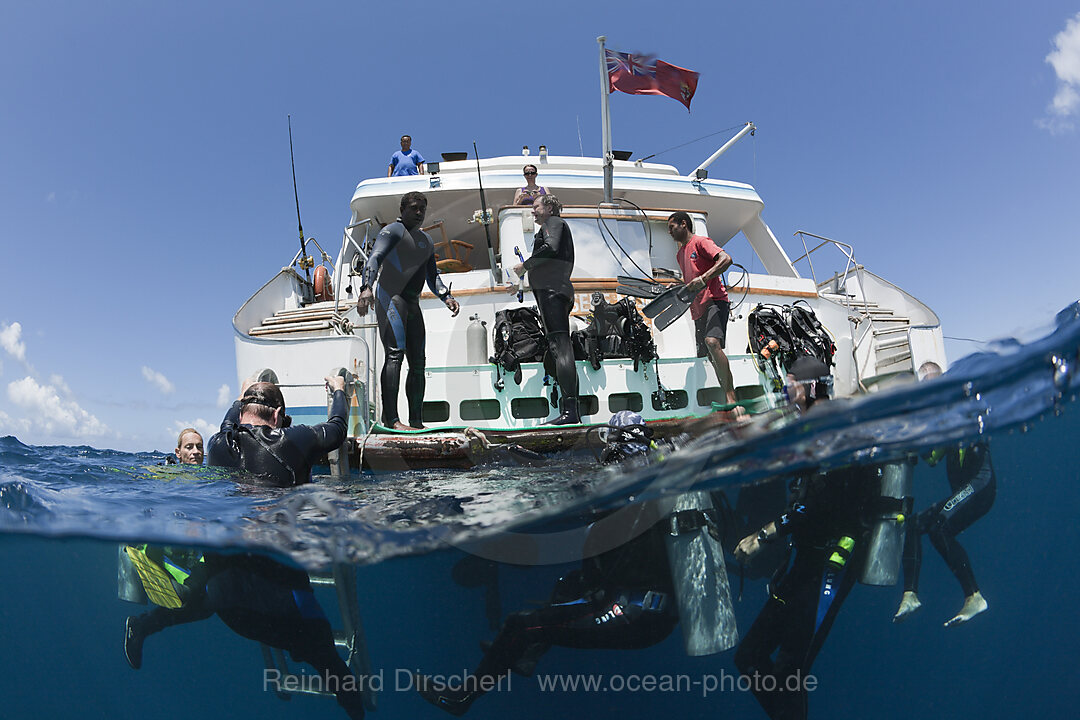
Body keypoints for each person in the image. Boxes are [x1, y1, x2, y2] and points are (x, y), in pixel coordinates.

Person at [418, 501, 678, 716]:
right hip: (636, 609)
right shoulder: (621, 522)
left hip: (638, 616)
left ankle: (461, 697)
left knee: (522, 626)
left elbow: (618, 573)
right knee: (568, 586)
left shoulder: (632, 519)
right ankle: (526, 654)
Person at [733, 356, 877, 720]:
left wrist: (763, 535)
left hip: (832, 564)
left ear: (811, 387)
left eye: (790, 384)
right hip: (805, 562)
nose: (785, 392)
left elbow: (818, 503)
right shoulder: (808, 427)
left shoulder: (831, 427)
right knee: (748, 657)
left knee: (789, 672)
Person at [123, 551, 366, 719]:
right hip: (233, 589)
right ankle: (143, 624)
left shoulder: (309, 624)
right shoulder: (312, 634)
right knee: (210, 599)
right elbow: (337, 675)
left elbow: (337, 675)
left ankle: (143, 625)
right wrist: (355, 709)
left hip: (235, 579)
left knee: (206, 600)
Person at [894, 361, 995, 627]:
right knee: (915, 525)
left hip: (980, 487)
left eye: (933, 382)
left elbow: (982, 414)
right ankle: (910, 595)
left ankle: (974, 597)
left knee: (939, 528)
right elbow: (932, 457)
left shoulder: (963, 404)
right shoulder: (942, 417)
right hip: (964, 491)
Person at [357, 191, 460, 430]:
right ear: (402, 210)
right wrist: (366, 288)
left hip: (413, 304)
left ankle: (416, 421)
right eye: (414, 207)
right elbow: (375, 258)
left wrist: (446, 296)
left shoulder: (426, 241)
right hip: (391, 298)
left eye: (422, 208)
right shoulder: (393, 231)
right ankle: (391, 420)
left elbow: (433, 276)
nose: (419, 212)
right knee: (395, 354)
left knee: (419, 363)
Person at [206, 375, 349, 486]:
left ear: (240, 415)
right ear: (276, 415)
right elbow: (337, 428)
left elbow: (228, 423)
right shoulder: (292, 440)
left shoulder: (217, 443)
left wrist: (242, 395)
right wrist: (339, 389)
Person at [512, 194, 579, 425]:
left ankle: (571, 412)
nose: (533, 211)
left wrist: (525, 265)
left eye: (536, 206)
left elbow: (550, 248)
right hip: (552, 292)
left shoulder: (554, 223)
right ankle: (568, 407)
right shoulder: (553, 225)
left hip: (553, 293)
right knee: (557, 347)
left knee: (561, 347)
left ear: (549, 207)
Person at [667, 211, 738, 409]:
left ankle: (731, 397)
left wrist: (704, 278)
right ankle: (726, 394)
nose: (669, 232)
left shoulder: (701, 242)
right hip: (697, 308)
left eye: (671, 227)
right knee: (709, 352)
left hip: (715, 300)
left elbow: (726, 259)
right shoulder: (680, 254)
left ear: (683, 224)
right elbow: (689, 279)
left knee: (712, 342)